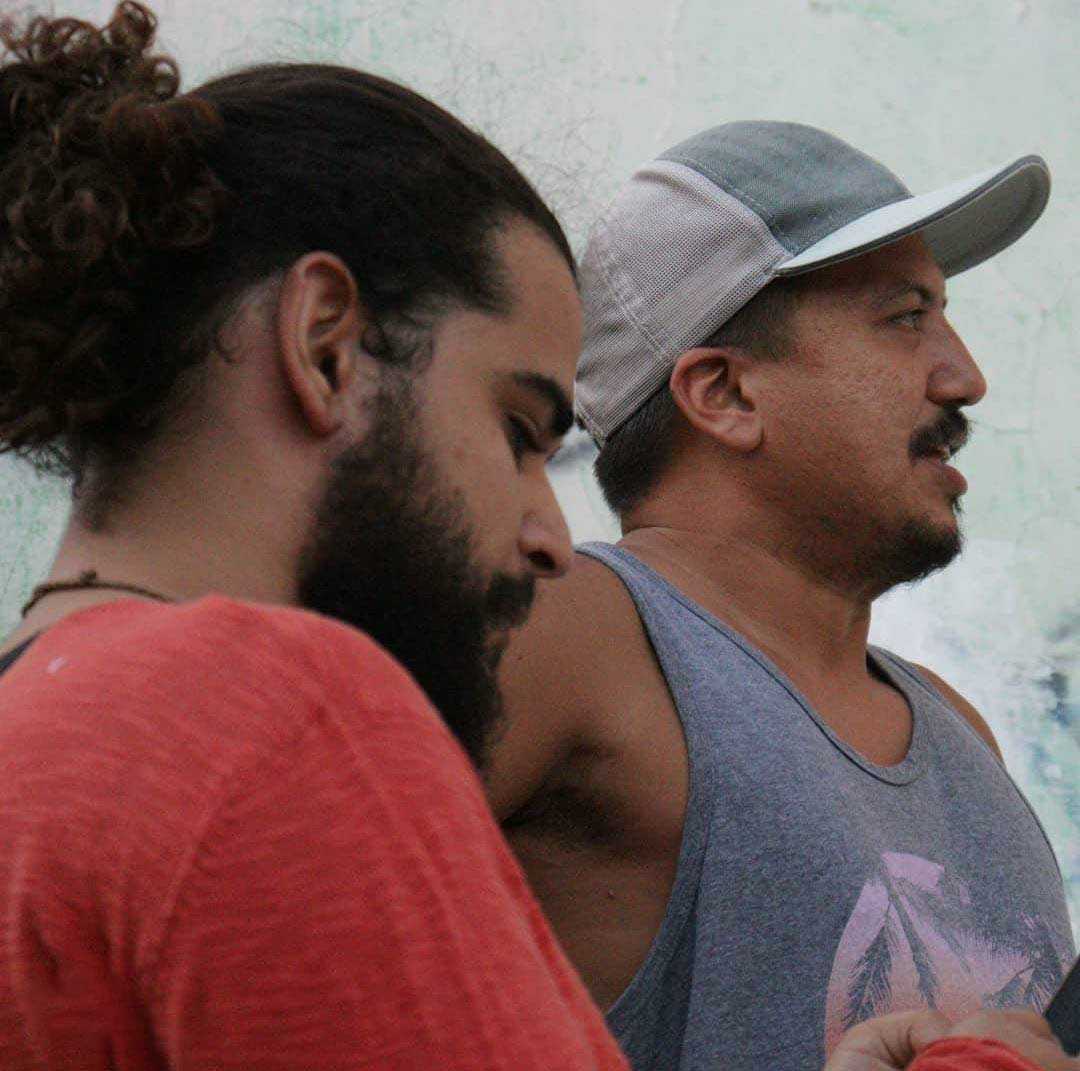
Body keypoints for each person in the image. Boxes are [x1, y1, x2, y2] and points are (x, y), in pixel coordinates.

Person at [0, 7, 1072, 1069]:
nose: (554, 534)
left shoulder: (58, 724)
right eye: (518, 432)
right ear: (325, 347)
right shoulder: (303, 708)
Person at [491, 121, 1077, 1071]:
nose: (965, 377)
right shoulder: (574, 635)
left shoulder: (961, 731)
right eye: (906, 317)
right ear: (724, 393)